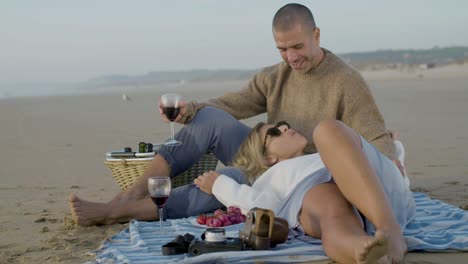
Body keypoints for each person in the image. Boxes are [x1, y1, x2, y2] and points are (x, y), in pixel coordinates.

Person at [69, 3, 405, 226]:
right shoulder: (275, 76)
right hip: (267, 152)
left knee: (223, 183)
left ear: (316, 36)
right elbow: (235, 103)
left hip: (300, 176)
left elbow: (374, 137)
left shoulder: (346, 81)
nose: (290, 57)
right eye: (282, 49)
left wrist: (392, 164)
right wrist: (191, 110)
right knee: (209, 118)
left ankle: (118, 211)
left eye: (297, 47)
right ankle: (134, 192)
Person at [195, 120, 415, 264]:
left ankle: (389, 230)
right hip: (323, 196)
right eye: (274, 132)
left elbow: (391, 167)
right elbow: (261, 207)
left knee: (327, 129)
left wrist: (395, 148)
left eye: (281, 125)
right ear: (267, 158)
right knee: (331, 210)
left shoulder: (326, 150)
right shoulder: (274, 178)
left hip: (380, 194)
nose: (283, 128)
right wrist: (219, 185)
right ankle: (360, 249)